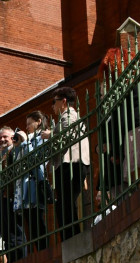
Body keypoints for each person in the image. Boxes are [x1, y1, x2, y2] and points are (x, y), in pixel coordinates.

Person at [49, 87, 91, 241]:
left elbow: (65, 137)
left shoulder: (68, 116)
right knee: (65, 203)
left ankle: (72, 238)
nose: (53, 107)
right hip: (73, 164)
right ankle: (71, 237)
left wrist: (49, 135)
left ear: (63, 101)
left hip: (70, 164)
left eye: (54, 102)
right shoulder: (70, 116)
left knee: (66, 204)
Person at [14, 111, 50, 253]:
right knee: (30, 224)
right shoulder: (29, 139)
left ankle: (44, 251)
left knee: (38, 222)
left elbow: (37, 160)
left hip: (36, 184)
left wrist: (26, 142)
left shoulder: (43, 137)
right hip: (26, 187)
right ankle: (37, 253)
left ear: (39, 121)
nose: (27, 127)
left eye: (30, 123)